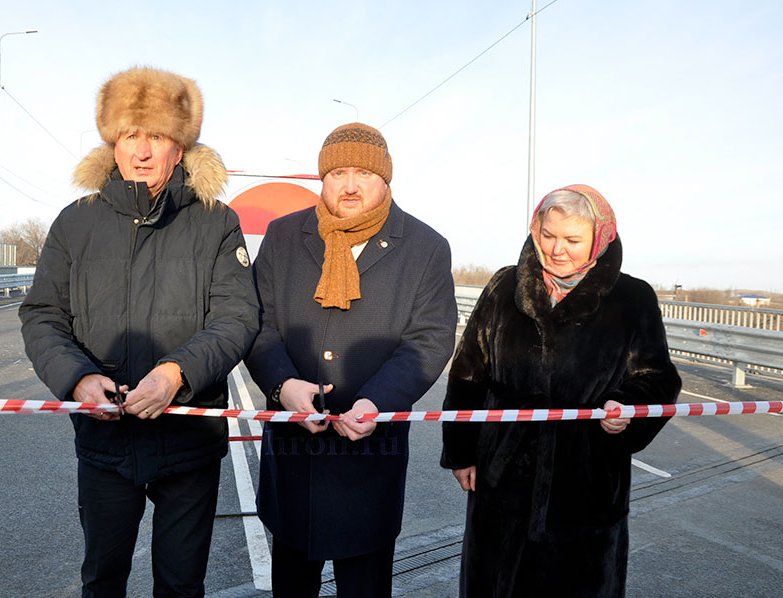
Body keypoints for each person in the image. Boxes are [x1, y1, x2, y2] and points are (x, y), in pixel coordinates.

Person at [19, 67, 259, 598]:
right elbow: (42, 316)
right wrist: (78, 380)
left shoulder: (216, 221)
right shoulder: (74, 222)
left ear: (181, 147)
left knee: (180, 584)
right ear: (113, 142)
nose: (143, 151)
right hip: (105, 444)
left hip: (188, 444)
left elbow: (237, 316)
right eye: (131, 135)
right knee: (102, 580)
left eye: (157, 136)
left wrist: (176, 374)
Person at [245, 122, 457, 597]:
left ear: (386, 178)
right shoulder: (282, 237)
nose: (351, 184)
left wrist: (376, 403)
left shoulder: (426, 248)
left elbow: (429, 339)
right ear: (322, 179)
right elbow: (258, 325)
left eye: (363, 172)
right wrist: (283, 388)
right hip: (295, 455)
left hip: (369, 457)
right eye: (338, 172)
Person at [441, 184, 681, 597]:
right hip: (504, 472)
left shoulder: (631, 298)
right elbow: (468, 372)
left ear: (599, 239)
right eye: (548, 235)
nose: (556, 250)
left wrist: (627, 407)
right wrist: (461, 451)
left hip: (586, 478)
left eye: (572, 239)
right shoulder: (504, 287)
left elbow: (658, 377)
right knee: (495, 581)